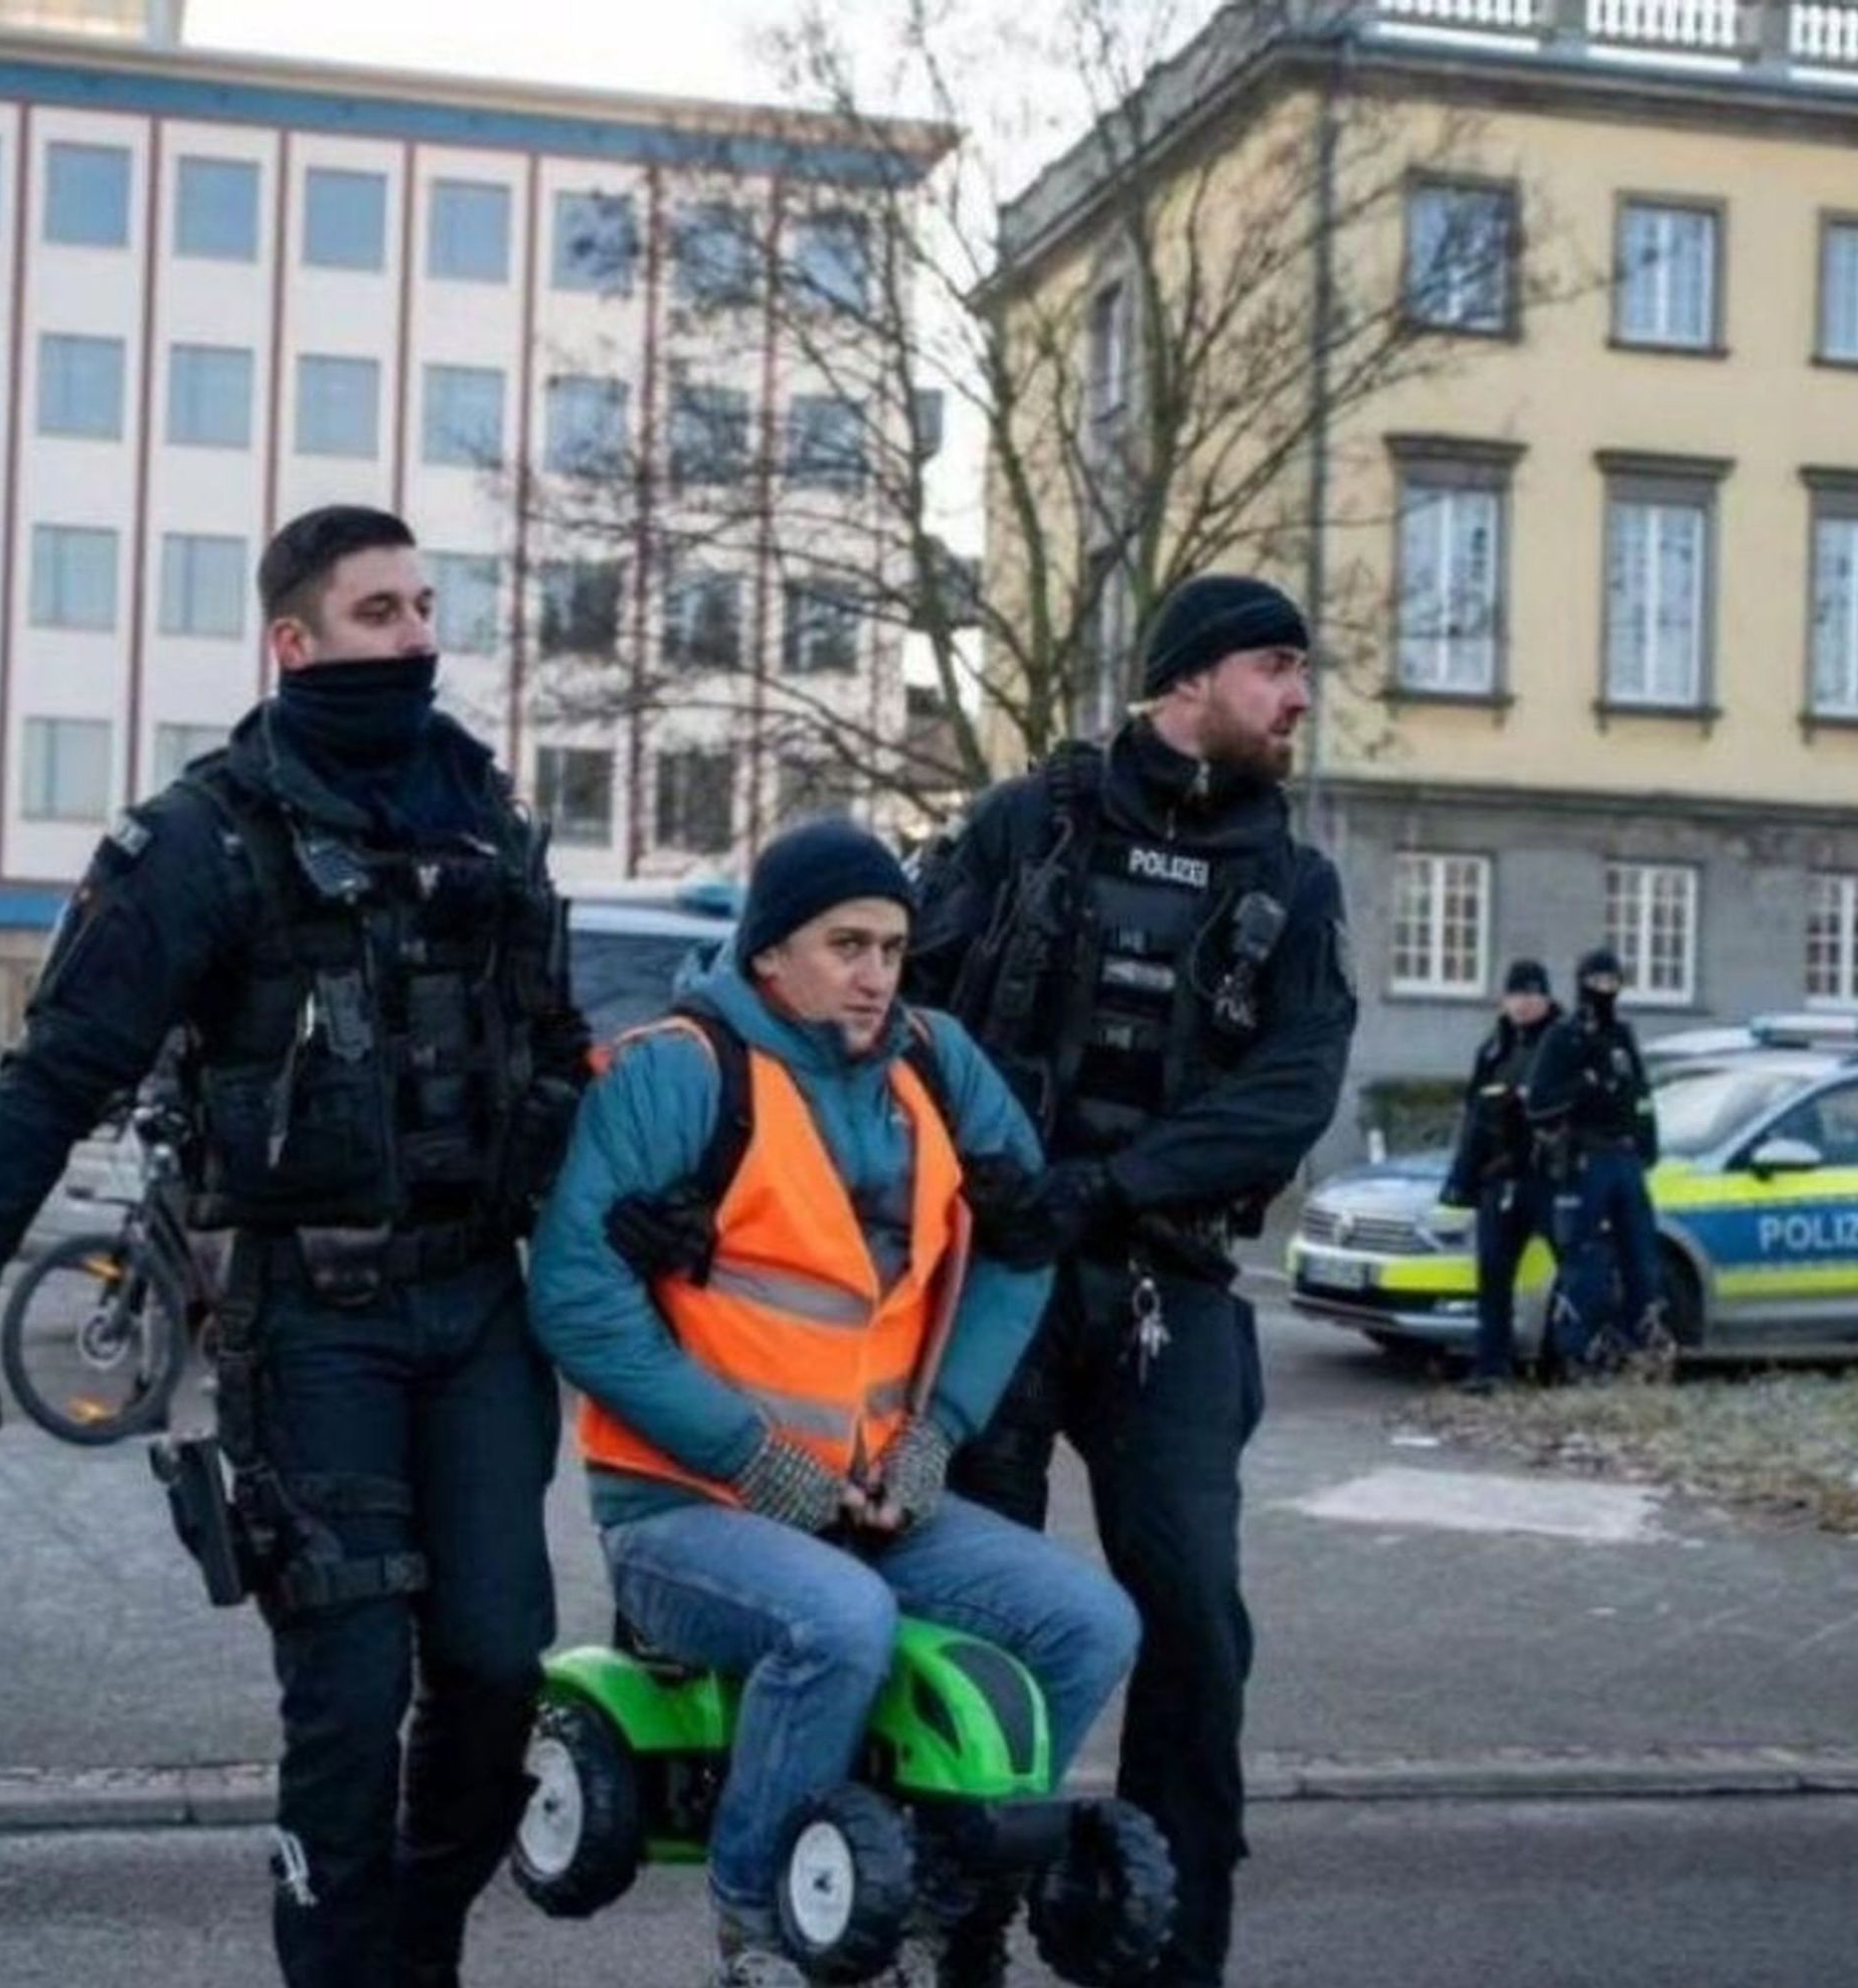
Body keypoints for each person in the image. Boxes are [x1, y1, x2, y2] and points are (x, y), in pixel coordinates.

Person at [0, 505, 587, 1988]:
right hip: (311, 1322)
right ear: (293, 640)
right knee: (346, 1689)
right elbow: (53, 1075)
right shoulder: (203, 839)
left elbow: (553, 1053)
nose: (416, 639)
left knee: (496, 1666)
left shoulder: (487, 822)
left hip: (477, 1309)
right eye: (379, 613)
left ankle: (417, 1943)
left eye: (424, 609)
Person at [530, 817, 1141, 1988]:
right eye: (844, 944)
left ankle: (927, 1905)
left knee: (1089, 1621)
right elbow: (574, 1297)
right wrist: (749, 1456)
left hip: (870, 1498)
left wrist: (938, 1434)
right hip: (683, 1508)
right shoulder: (677, 1069)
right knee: (838, 1621)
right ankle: (756, 1920)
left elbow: (1023, 1239)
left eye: (892, 947)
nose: (873, 975)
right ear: (768, 954)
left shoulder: (934, 1063)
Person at [904, 572, 1357, 1988]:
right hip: (995, 1285)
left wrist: (1109, 1183)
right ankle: (952, 1927)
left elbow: (1291, 1090)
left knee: (1196, 1623)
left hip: (1166, 1288)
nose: (1297, 699)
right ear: (1191, 679)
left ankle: (1172, 1952)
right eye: (1276, 668)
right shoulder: (1027, 824)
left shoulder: (1293, 878)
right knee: (967, 1611)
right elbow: (900, 1005)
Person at [1525, 945, 1668, 1379]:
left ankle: (1639, 1345)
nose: (1604, 990)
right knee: (1585, 1262)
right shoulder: (1565, 1036)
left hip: (1625, 1158)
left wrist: (1647, 1142)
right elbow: (1540, 1102)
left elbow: (1640, 1094)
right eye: (1597, 982)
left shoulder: (1622, 1036)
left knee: (1640, 1255)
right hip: (1584, 1158)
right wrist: (1583, 1087)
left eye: (1612, 982)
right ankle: (1577, 1352)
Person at [1438, 958, 1563, 1393]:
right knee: (1492, 1275)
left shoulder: (1562, 1041)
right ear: (1505, 1000)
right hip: (1499, 1177)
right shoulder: (1495, 1048)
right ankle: (1492, 1368)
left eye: (1532, 994)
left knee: (1574, 1272)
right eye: (1517, 995)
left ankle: (1566, 1364)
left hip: (1548, 1176)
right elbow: (1474, 1118)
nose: (1524, 1003)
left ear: (1546, 997)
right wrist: (1460, 1181)